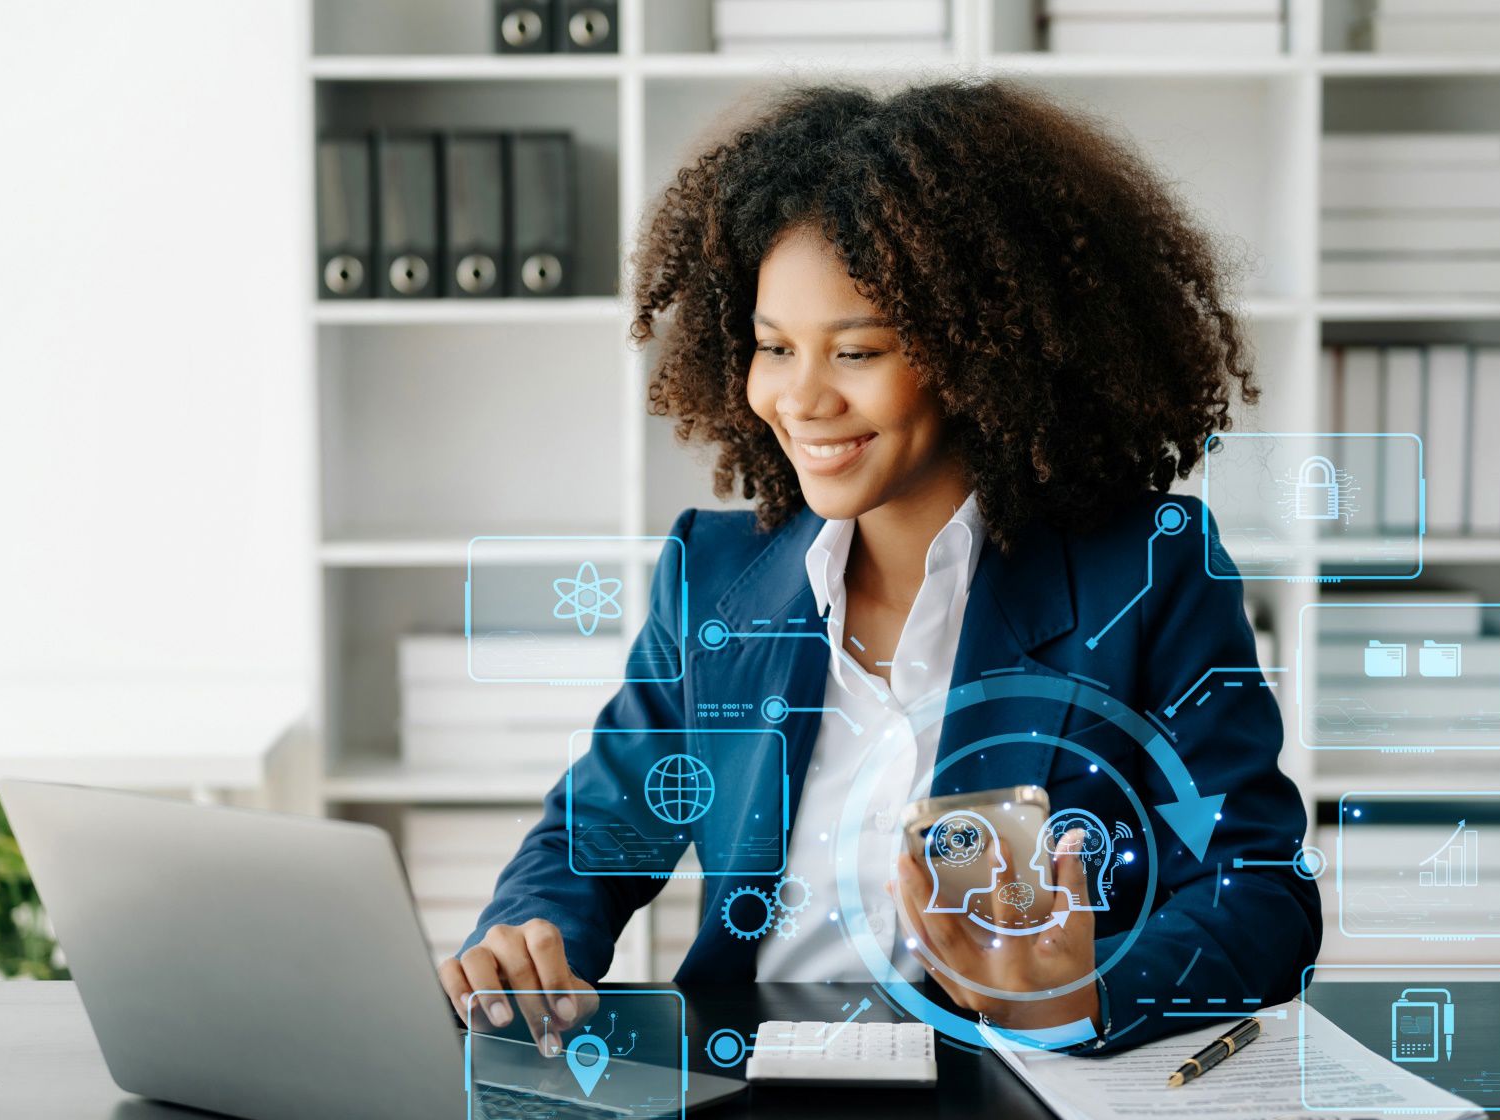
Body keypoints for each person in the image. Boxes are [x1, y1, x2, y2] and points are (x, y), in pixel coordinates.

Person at [439, 79, 1318, 1056]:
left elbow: (1262, 894)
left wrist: (1081, 993)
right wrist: (527, 942)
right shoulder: (714, 577)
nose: (800, 397)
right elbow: (593, 838)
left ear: (982, 354)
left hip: (1012, 1103)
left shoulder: (1148, 572)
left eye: (855, 352)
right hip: (750, 1098)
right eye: (774, 347)